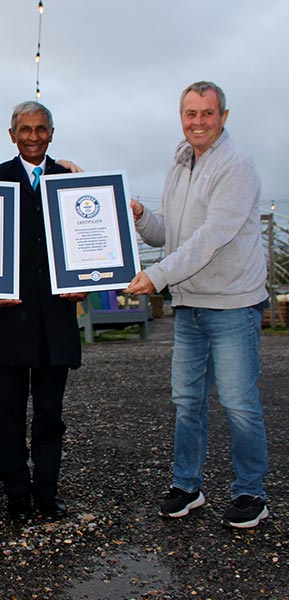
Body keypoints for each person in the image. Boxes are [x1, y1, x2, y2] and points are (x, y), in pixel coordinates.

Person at [124, 81, 270, 529]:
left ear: (223, 117)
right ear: (181, 117)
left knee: (238, 402)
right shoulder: (180, 165)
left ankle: (251, 493)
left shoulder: (236, 166)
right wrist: (140, 216)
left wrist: (157, 277)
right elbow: (171, 233)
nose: (198, 122)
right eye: (191, 113)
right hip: (190, 306)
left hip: (232, 305)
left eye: (207, 113)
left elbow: (211, 238)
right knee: (187, 401)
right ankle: (187, 486)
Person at [0, 101, 86, 523]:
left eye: (42, 129)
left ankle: (47, 493)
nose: (34, 136)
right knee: (6, 417)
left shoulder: (73, 182)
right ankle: (16, 495)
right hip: (5, 323)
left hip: (54, 325)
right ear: (12, 134)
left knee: (49, 417)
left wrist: (84, 284)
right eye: (25, 129)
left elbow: (84, 247)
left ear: (52, 133)